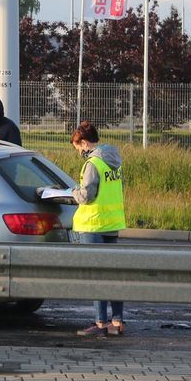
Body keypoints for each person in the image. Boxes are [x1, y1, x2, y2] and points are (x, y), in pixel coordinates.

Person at [69, 120, 126, 337]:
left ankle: (100, 323)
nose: (79, 152)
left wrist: (73, 191)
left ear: (83, 143)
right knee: (112, 274)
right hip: (111, 224)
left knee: (96, 275)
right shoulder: (114, 159)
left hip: (93, 224)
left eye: (78, 148)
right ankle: (118, 322)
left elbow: (86, 196)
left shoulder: (93, 164)